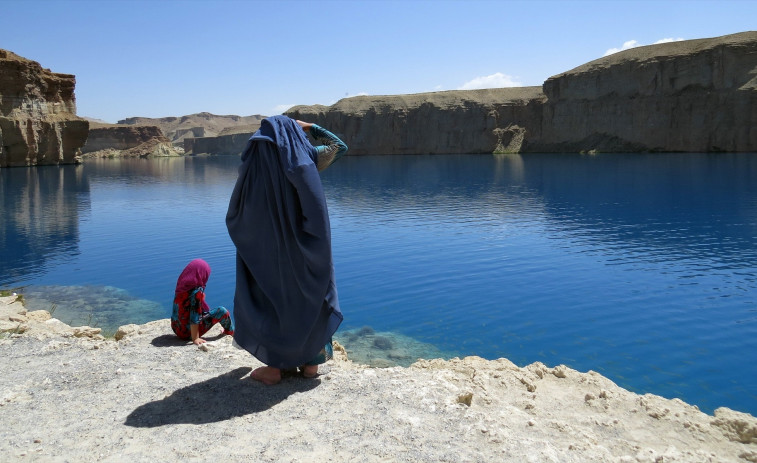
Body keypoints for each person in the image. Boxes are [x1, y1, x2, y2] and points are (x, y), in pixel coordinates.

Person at [226, 115, 347, 385]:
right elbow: (339, 146)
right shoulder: (307, 158)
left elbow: (238, 212)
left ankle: (275, 368)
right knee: (312, 295)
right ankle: (311, 366)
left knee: (273, 300)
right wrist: (309, 127)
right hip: (306, 247)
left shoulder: (254, 163)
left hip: (268, 251)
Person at [171, 258, 234, 345]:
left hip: (177, 328)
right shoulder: (196, 292)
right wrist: (195, 338)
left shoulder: (182, 286)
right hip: (187, 333)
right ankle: (230, 332)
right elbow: (195, 316)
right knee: (222, 311)